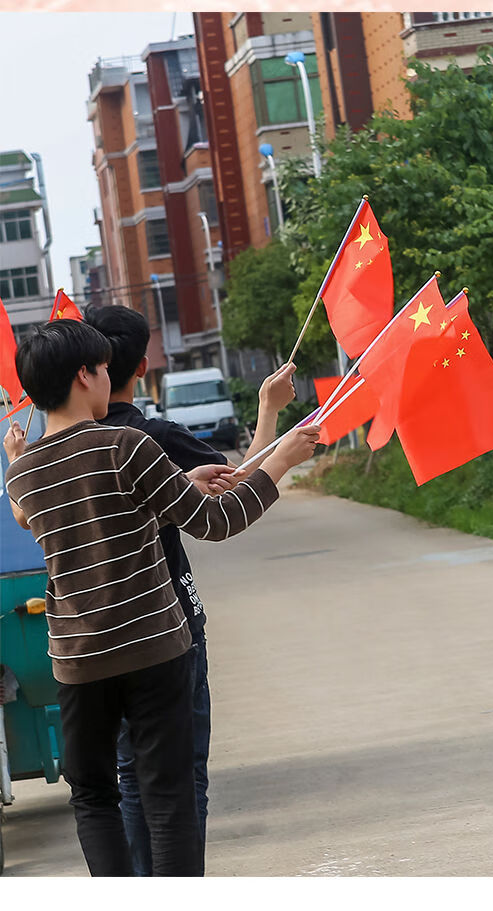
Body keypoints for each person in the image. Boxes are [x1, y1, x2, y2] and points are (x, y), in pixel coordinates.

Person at [3, 319, 319, 876]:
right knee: (168, 792)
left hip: (78, 662)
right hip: (154, 649)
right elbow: (218, 523)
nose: (107, 379)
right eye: (101, 370)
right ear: (84, 376)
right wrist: (283, 461)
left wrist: (18, 458)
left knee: (96, 794)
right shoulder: (129, 445)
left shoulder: (23, 474)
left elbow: (35, 512)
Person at [82, 303, 295, 876]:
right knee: (181, 775)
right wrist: (270, 412)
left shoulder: (63, 452)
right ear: (141, 364)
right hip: (168, 624)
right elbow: (231, 497)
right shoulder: (147, 438)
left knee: (128, 777)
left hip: (98, 639)